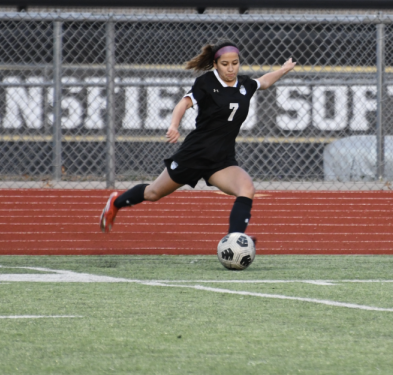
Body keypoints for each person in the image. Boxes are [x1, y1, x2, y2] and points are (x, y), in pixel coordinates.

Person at [100, 41, 296, 237]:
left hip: (221, 159)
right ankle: (116, 202)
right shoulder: (206, 83)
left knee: (246, 188)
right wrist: (174, 125)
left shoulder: (245, 85)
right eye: (225, 64)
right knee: (153, 193)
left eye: (235, 63)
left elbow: (265, 81)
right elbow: (184, 103)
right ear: (215, 64)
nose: (230, 68)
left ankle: (234, 241)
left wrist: (284, 70)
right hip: (195, 154)